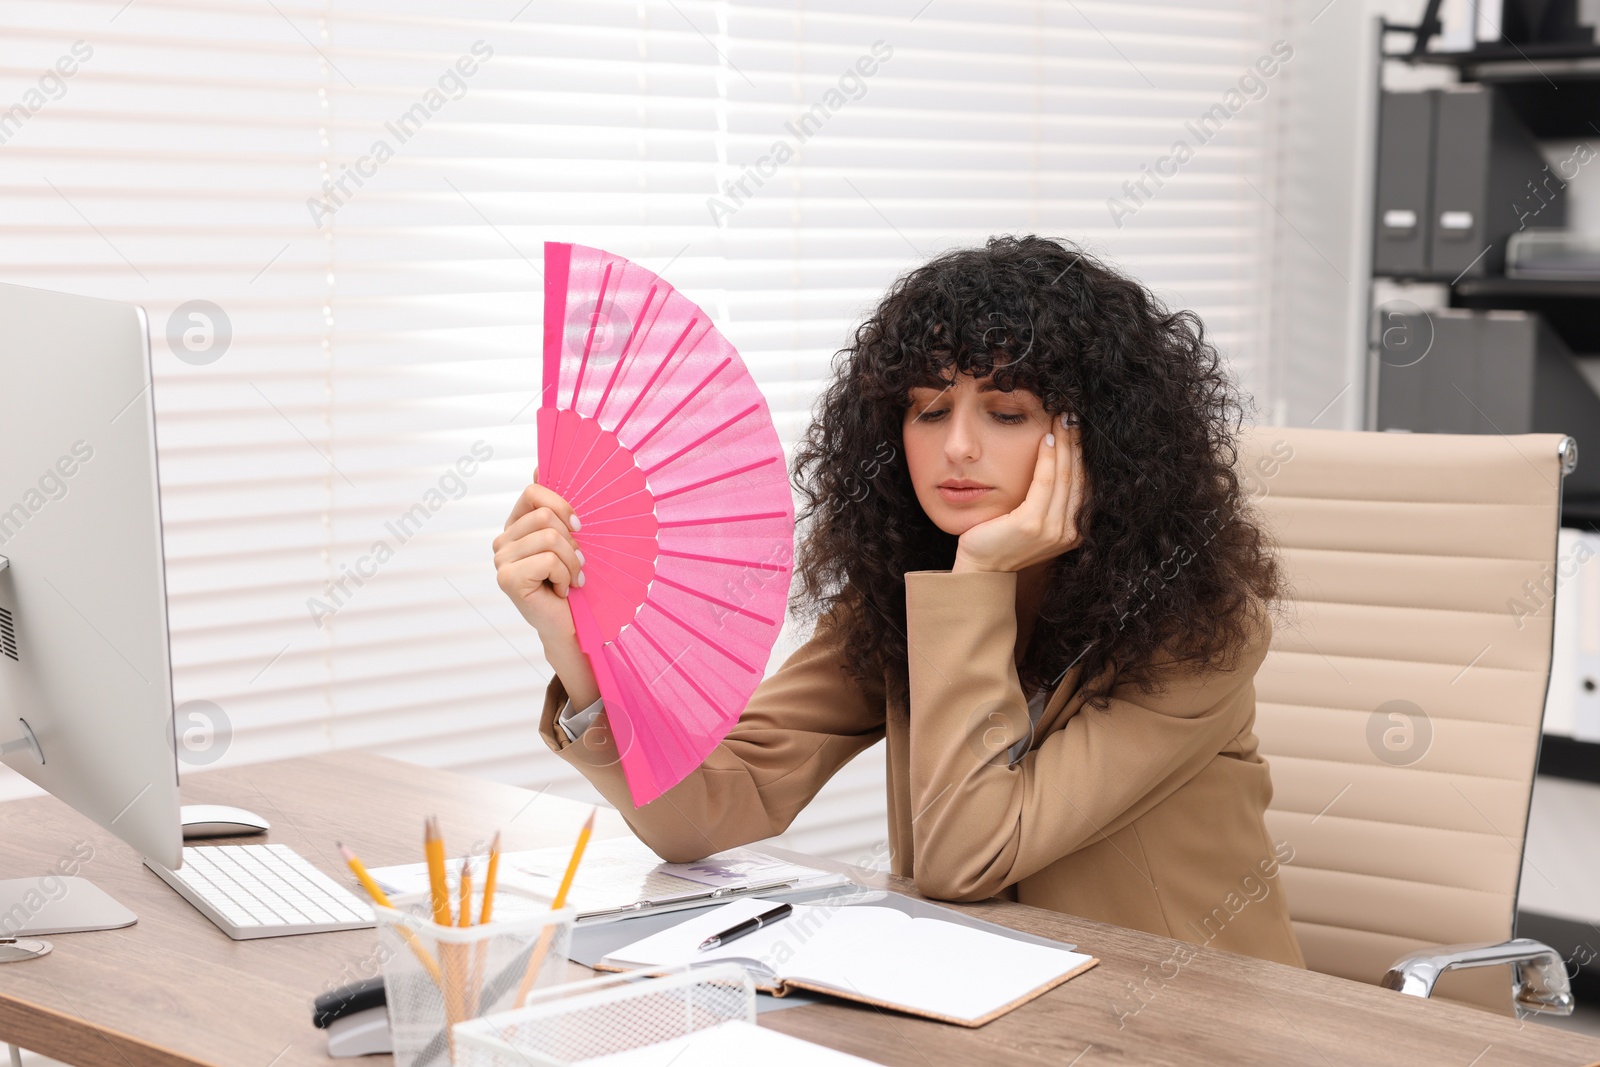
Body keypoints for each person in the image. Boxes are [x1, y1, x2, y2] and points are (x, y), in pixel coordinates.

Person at [492, 234, 1306, 968]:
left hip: (1185, 1028)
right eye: (928, 409)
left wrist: (980, 579)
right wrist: (580, 653)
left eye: (1007, 411)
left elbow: (966, 856)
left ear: (1100, 439)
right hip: (984, 1013)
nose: (957, 446)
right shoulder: (903, 597)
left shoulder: (1201, 632)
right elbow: (707, 810)